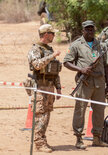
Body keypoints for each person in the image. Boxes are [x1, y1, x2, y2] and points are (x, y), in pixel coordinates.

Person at [63, 20, 108, 149]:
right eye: (87, 29)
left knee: (99, 111)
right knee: (80, 109)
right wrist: (81, 70)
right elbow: (66, 62)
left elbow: (107, 66)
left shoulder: (101, 45)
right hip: (84, 82)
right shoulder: (76, 45)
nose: (90, 31)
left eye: (92, 29)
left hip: (100, 83)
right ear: (82, 30)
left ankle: (97, 138)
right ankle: (79, 138)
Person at [27, 24, 62, 153]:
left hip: (49, 87)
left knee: (46, 116)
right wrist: (52, 56)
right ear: (46, 34)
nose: (54, 36)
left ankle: (42, 140)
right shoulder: (35, 49)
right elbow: (36, 65)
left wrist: (58, 88)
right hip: (40, 87)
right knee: (40, 115)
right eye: (52, 33)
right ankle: (39, 143)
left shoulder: (49, 49)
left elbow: (55, 71)